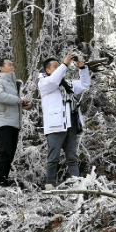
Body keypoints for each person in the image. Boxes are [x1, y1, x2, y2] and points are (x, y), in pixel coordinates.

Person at [39, 52, 91, 189]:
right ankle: (50, 183)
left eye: (59, 66)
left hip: (71, 124)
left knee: (72, 157)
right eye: (55, 66)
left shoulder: (68, 84)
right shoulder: (45, 83)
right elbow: (53, 81)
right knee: (53, 157)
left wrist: (82, 69)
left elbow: (85, 84)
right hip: (56, 125)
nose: (59, 68)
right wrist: (65, 64)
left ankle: (75, 183)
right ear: (47, 70)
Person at [0, 58, 32, 187]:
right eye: (9, 64)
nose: (12, 66)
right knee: (5, 153)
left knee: (10, 154)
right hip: (2, 122)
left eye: (13, 64)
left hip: (14, 123)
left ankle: (3, 180)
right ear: (1, 68)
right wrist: (19, 100)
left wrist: (26, 105)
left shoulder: (15, 83)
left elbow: (17, 101)